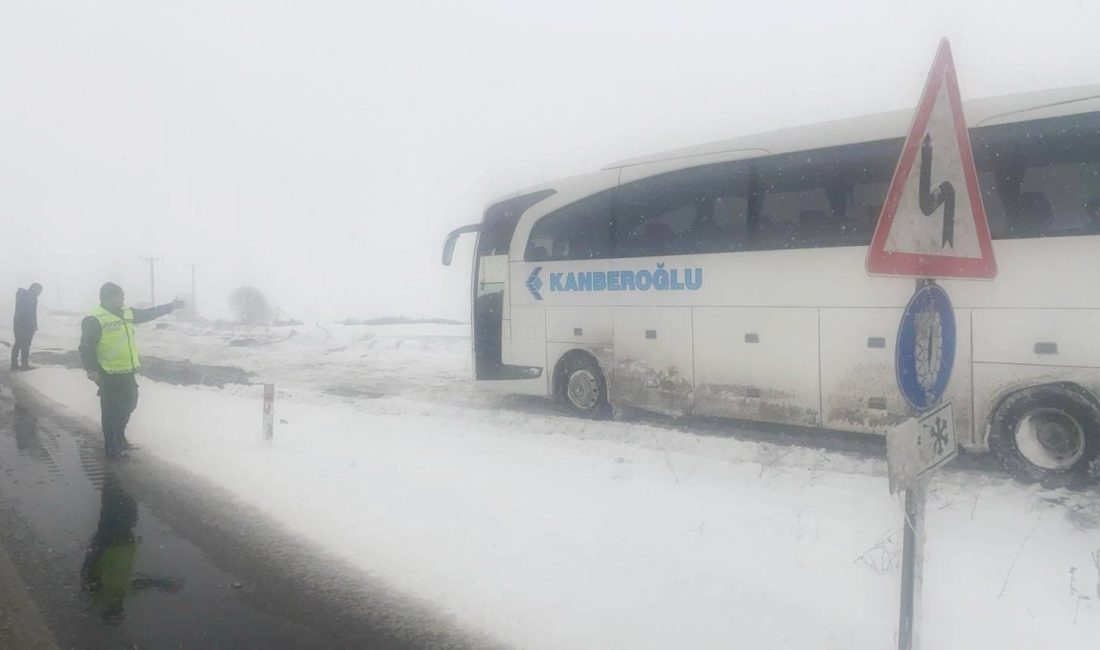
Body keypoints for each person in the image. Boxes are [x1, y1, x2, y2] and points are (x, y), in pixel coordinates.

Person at [79, 282, 184, 459]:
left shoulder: (127, 313)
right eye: (120, 295)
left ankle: (119, 438)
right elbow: (86, 347)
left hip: (127, 370)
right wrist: (91, 369)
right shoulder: (94, 318)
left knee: (130, 403)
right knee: (111, 411)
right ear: (109, 297)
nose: (123, 298)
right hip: (107, 372)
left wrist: (170, 306)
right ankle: (112, 447)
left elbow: (149, 314)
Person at [11, 282, 43, 370]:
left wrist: (34, 324)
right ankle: (18, 364)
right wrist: (30, 323)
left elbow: (33, 313)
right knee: (20, 343)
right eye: (39, 291)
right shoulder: (24, 296)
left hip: (26, 324)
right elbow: (25, 312)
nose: (40, 293)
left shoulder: (33, 298)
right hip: (21, 324)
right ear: (34, 289)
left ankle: (21, 364)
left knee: (24, 344)